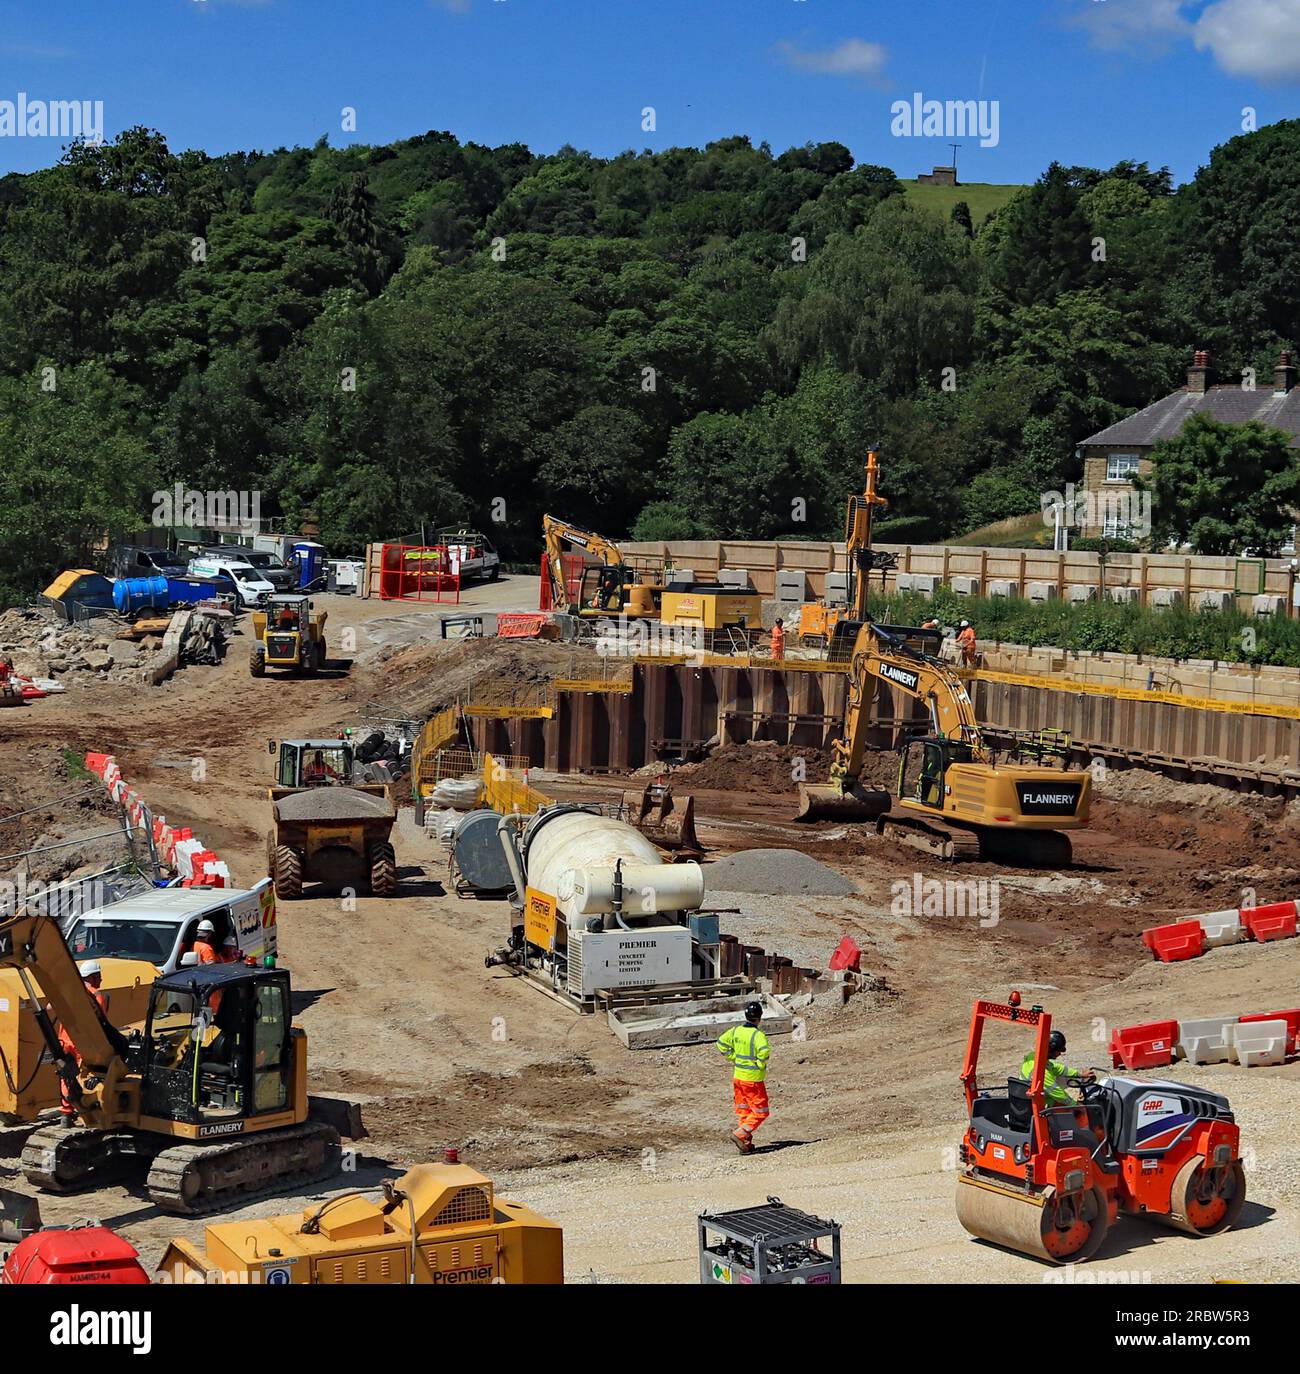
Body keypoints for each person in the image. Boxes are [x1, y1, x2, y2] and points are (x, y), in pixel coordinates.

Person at [56, 960, 108, 1125]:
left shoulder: (69, 992)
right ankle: (86, 1111)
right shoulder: (96, 995)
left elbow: (51, 1006)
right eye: (99, 976)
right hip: (82, 1043)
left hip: (64, 1040)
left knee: (66, 1076)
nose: (100, 980)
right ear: (92, 977)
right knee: (84, 1076)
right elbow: (100, 1022)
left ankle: (66, 1113)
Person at [716, 1001, 771, 1153]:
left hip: (738, 1078)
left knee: (744, 1111)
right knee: (761, 1112)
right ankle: (740, 1134)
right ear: (759, 1017)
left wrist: (733, 1057)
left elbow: (721, 1043)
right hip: (752, 1079)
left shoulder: (736, 1031)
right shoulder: (758, 1035)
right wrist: (760, 1065)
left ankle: (745, 1143)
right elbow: (764, 1052)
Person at [1022, 1030, 1094, 1109]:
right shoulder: (1041, 1073)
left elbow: (1056, 1068)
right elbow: (1057, 1093)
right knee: (1067, 1107)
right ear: (1050, 1050)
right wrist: (1076, 1105)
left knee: (1061, 1080)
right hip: (1036, 1105)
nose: (1060, 1053)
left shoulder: (1034, 1057)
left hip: (1029, 1098)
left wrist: (1080, 1075)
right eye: (1058, 1051)